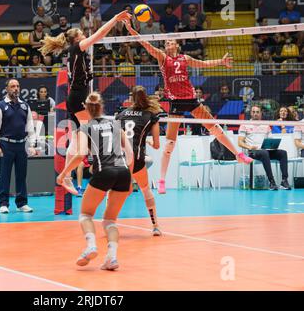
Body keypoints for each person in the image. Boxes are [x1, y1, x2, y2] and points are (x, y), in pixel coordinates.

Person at [123, 20, 253, 194]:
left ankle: (238, 155)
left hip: (191, 99)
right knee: (169, 144)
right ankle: (162, 180)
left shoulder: (185, 58)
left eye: (171, 41)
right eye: (166, 42)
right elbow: (145, 45)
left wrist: (221, 62)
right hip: (176, 102)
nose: (168, 43)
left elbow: (204, 64)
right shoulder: (163, 58)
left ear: (177, 44)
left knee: (216, 129)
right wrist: (131, 30)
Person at [39, 10, 131, 194]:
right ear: (76, 39)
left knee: (76, 138)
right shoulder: (76, 48)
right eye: (81, 34)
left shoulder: (73, 51)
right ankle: (73, 172)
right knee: (87, 135)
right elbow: (100, 34)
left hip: (75, 97)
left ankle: (66, 176)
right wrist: (114, 18)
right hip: (78, 97)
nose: (84, 35)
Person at [56, 92, 133, 270]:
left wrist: (63, 173)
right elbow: (130, 155)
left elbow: (81, 154)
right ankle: (112, 258)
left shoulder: (84, 128)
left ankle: (91, 246)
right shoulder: (116, 124)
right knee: (110, 221)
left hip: (104, 171)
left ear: (86, 108)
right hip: (123, 172)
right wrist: (130, 181)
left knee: (85, 215)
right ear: (102, 106)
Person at [116, 86, 162, 235]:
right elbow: (157, 145)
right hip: (136, 158)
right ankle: (155, 226)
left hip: (120, 158)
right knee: (145, 189)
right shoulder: (151, 115)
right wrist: (147, 142)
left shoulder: (121, 115)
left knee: (116, 191)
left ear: (131, 99)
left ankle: (110, 222)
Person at [0, 79, 37, 214]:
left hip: (22, 145)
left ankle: (22, 203)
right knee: (5, 175)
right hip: (6, 145)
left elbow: (30, 127)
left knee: (21, 175)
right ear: (7, 89)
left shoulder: (25, 106)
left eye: (17, 86)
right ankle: (3, 203)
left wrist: (32, 145)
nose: (15, 88)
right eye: (12, 86)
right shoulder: (0, 106)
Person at [238, 105, 291, 190]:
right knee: (264, 153)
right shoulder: (245, 125)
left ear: (261, 114)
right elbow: (240, 142)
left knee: (283, 153)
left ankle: (284, 181)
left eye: (257, 112)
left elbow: (270, 139)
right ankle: (271, 182)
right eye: (253, 112)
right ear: (251, 113)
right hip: (253, 151)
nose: (255, 114)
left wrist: (272, 145)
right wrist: (250, 146)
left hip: (265, 150)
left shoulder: (265, 125)